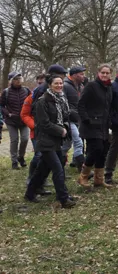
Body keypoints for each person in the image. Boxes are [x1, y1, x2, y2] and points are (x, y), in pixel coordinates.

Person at [25, 74, 78, 208]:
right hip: (44, 141)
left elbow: (65, 117)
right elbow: (43, 123)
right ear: (49, 85)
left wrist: (65, 126)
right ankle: (64, 199)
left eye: (61, 83)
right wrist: (60, 130)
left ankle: (30, 193)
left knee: (43, 169)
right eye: (56, 83)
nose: (59, 86)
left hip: (56, 141)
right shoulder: (42, 102)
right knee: (58, 169)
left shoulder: (61, 99)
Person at [77, 64, 114, 189]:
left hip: (104, 125)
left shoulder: (109, 88)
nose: (104, 75)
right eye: (102, 72)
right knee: (96, 149)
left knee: (103, 150)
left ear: (110, 74)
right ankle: (83, 176)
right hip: (91, 125)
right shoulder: (91, 86)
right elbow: (81, 104)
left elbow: (108, 107)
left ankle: (99, 179)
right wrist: (86, 119)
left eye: (107, 73)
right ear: (98, 73)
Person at [1, 72, 31, 169]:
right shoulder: (6, 92)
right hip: (11, 121)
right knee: (14, 140)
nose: (18, 80)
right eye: (16, 79)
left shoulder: (26, 90)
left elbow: (33, 102)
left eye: (20, 78)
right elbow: (1, 105)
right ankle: (14, 162)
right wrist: (8, 114)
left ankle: (21, 157)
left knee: (25, 139)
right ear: (11, 81)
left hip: (24, 120)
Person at [64, 67, 86, 169]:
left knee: (66, 146)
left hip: (78, 119)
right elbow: (63, 103)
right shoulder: (65, 86)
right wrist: (70, 113)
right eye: (81, 74)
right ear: (73, 75)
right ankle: (83, 167)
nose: (83, 76)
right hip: (68, 120)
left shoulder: (81, 86)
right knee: (78, 142)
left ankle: (58, 165)